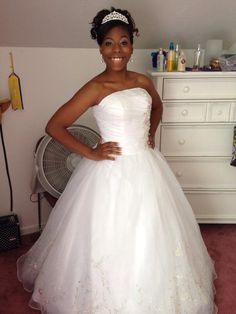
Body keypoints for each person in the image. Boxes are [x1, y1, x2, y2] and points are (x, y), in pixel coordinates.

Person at [17, 7, 217, 314]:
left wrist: (149, 133)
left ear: (132, 45)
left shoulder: (142, 81)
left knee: (151, 233)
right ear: (99, 48)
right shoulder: (95, 87)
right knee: (107, 237)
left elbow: (158, 107)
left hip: (147, 167)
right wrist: (92, 152)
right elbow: (54, 126)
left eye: (123, 42)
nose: (117, 50)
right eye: (109, 43)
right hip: (109, 172)